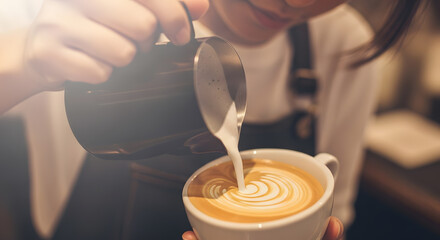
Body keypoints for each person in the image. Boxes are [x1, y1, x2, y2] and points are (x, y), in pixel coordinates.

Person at [0, 0, 421, 239]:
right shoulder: (85, 14)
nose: (296, 1)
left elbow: (334, 204)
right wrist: (24, 60)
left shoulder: (343, 46)